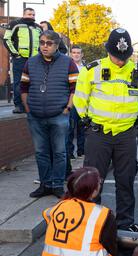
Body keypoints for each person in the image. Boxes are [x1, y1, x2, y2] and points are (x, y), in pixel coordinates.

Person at [73, 28, 138, 232]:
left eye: (124, 57)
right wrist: (87, 122)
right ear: (108, 51)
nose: (120, 61)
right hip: (98, 134)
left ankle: (125, 223)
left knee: (125, 182)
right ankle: (90, 223)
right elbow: (80, 99)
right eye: (116, 56)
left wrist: (136, 122)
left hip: (125, 135)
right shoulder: (92, 70)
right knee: (92, 181)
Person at [36, 167, 131, 256]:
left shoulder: (56, 208)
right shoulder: (102, 214)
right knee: (128, 255)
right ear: (93, 191)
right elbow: (112, 249)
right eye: (99, 182)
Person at [21, 30, 79, 199]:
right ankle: (45, 185)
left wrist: (68, 108)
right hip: (36, 116)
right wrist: (27, 108)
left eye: (48, 43)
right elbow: (23, 87)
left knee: (60, 152)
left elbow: (75, 89)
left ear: (56, 45)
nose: (44, 46)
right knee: (41, 152)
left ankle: (57, 185)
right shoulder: (30, 63)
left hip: (59, 116)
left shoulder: (68, 63)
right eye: (42, 42)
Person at [3, 7, 42, 114]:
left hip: (35, 60)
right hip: (20, 59)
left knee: (34, 83)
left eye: (33, 15)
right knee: (19, 83)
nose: (32, 16)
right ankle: (19, 106)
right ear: (24, 14)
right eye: (29, 14)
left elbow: (42, 43)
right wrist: (15, 54)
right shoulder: (15, 24)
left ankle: (31, 105)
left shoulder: (38, 27)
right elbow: (6, 39)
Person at [67, 45, 85, 159]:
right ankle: (69, 153)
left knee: (82, 128)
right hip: (72, 102)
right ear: (70, 54)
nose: (76, 54)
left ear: (82, 55)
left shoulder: (86, 68)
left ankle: (81, 151)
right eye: (74, 52)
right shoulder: (66, 67)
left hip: (83, 102)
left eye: (78, 52)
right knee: (70, 128)